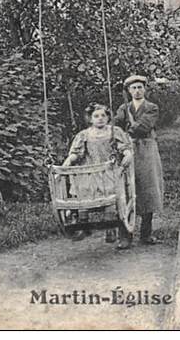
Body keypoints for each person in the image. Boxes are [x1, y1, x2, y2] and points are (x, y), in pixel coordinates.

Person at [62, 103, 134, 249]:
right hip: (92, 171)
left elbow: (124, 147)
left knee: (112, 195)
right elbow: (76, 153)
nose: (100, 119)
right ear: (90, 119)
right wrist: (68, 162)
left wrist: (127, 153)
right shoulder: (84, 134)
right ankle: (83, 225)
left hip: (110, 170)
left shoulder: (115, 132)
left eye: (103, 115)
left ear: (108, 117)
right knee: (83, 189)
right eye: (96, 116)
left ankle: (113, 229)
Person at [113, 75, 166, 244]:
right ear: (128, 91)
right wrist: (117, 130)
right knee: (126, 190)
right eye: (133, 88)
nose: (137, 91)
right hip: (127, 150)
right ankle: (125, 236)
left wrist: (125, 130)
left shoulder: (152, 107)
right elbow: (115, 124)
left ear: (145, 89)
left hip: (146, 149)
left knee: (148, 188)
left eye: (140, 87)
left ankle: (146, 234)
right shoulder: (123, 108)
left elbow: (144, 127)